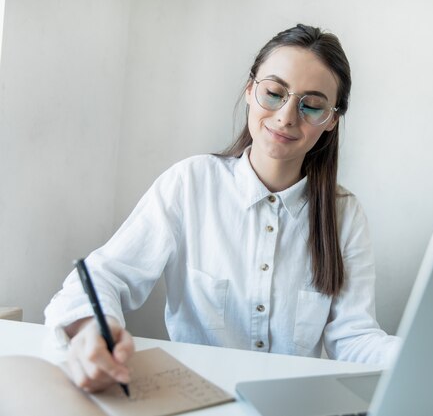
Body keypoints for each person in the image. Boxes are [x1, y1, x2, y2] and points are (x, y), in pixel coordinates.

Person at [45, 24, 400, 393]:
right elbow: (104, 275)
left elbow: (353, 337)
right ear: (250, 90)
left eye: (311, 105)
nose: (287, 117)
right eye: (275, 93)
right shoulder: (190, 183)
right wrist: (90, 332)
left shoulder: (344, 215)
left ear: (331, 120)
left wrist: (421, 357)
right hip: (194, 399)